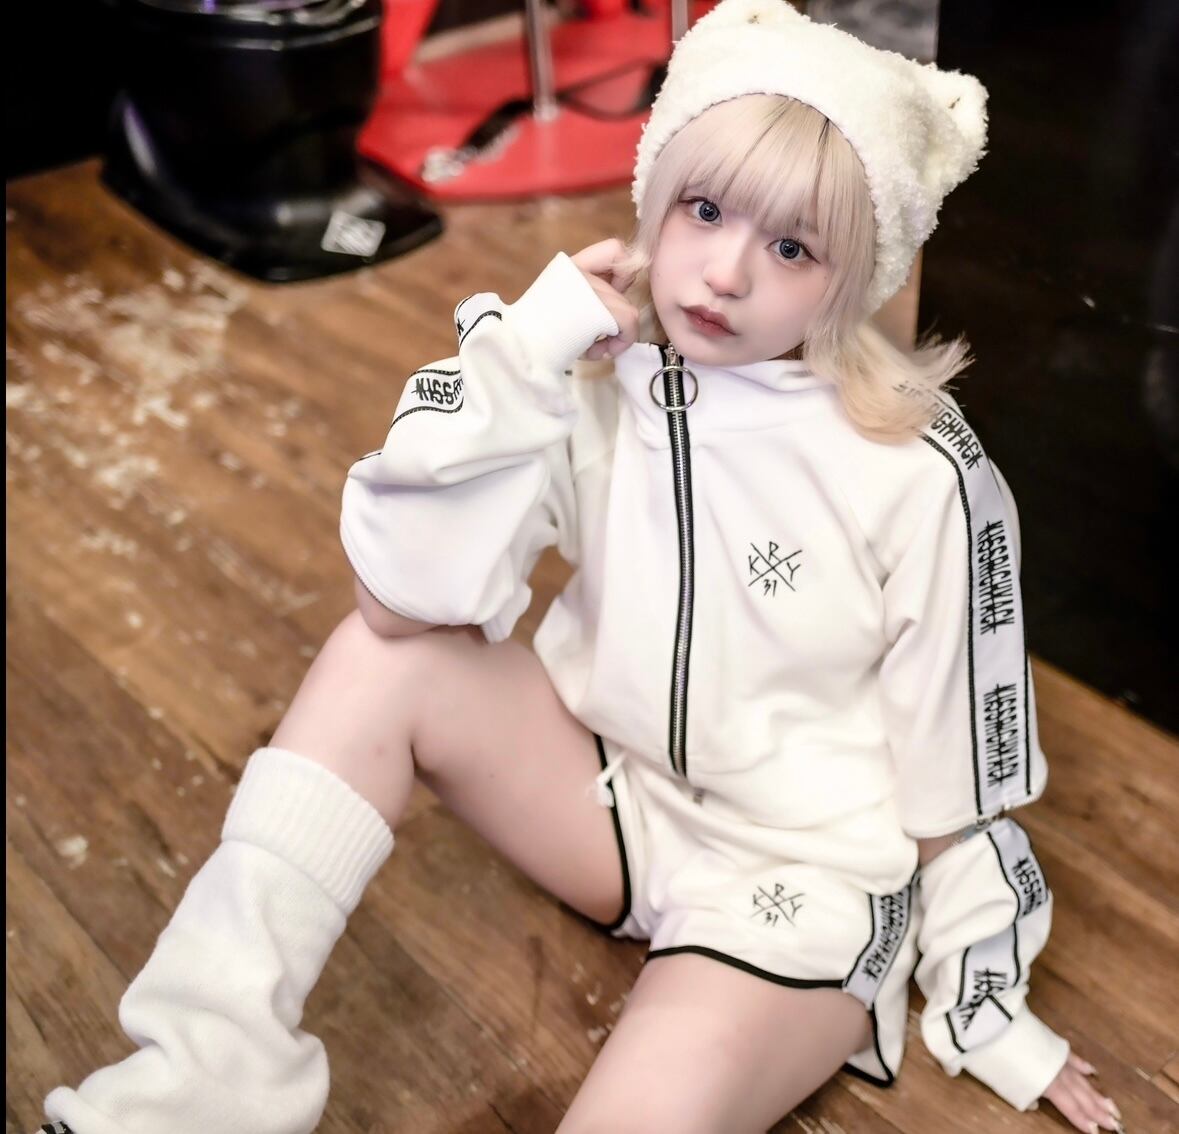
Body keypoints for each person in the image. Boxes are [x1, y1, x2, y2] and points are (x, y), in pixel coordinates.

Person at [41, 2, 1125, 1132]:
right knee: (378, 659)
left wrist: (989, 1001)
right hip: (614, 806)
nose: (725, 272)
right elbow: (399, 603)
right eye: (705, 209)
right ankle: (190, 1093)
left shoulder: (920, 471)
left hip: (796, 890)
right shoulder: (591, 375)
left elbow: (964, 766)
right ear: (655, 195)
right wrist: (522, 358)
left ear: (854, 275)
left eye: (792, 247)